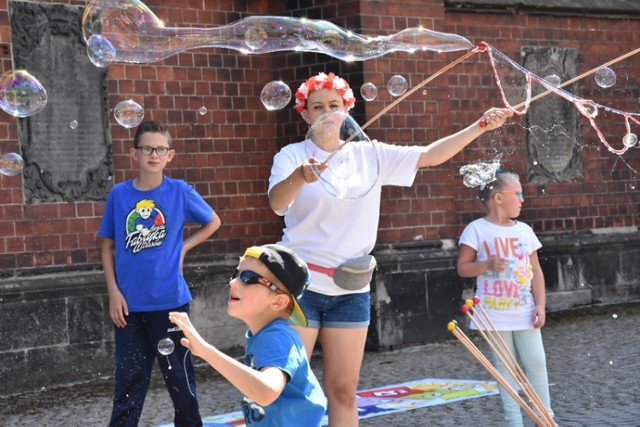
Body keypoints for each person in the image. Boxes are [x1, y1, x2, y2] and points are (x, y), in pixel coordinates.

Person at [267, 71, 513, 426]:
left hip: (349, 288)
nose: (325, 113)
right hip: (298, 286)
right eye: (316, 107)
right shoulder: (291, 156)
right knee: (289, 390)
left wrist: (480, 126)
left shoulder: (371, 155)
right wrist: (299, 177)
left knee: (343, 391)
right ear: (304, 114)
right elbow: (277, 203)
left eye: (333, 105)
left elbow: (431, 155)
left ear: (347, 110)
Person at [98, 120, 221, 426]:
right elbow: (106, 247)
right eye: (147, 148)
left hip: (170, 304)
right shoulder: (118, 195)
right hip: (129, 307)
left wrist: (183, 248)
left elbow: (213, 221)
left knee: (181, 383)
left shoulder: (179, 191)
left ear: (170, 155)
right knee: (128, 384)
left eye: (161, 149)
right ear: (134, 154)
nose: (154, 154)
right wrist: (113, 293)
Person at [168, 244, 327, 426]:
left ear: (278, 301)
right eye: (237, 274)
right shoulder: (264, 334)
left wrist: (205, 351)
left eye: (248, 277)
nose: (233, 282)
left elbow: (266, 392)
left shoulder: (275, 337)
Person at [456, 170, 553, 426]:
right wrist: (486, 264)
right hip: (493, 314)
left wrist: (540, 305)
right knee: (506, 369)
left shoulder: (524, 231)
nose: (522, 199)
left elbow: (536, 273)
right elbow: (463, 267)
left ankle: (546, 418)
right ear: (498, 198)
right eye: (518, 193)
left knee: (536, 362)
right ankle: (514, 421)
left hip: (524, 310)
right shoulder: (476, 229)